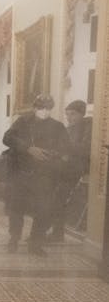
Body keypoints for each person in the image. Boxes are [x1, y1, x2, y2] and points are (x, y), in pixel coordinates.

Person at [2, 94, 69, 255]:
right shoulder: (23, 122)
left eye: (47, 108)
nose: (44, 111)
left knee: (43, 210)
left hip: (44, 175)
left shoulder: (58, 126)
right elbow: (7, 138)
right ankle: (14, 239)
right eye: (40, 108)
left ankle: (35, 243)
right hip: (21, 172)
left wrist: (52, 154)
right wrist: (28, 149)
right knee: (17, 208)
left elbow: (66, 149)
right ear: (34, 108)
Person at [47, 99, 92, 240]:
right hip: (65, 167)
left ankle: (50, 233)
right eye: (67, 114)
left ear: (81, 114)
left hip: (78, 168)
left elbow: (85, 150)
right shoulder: (68, 129)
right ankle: (51, 232)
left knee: (58, 196)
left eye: (73, 114)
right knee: (49, 193)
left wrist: (64, 148)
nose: (69, 117)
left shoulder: (89, 127)